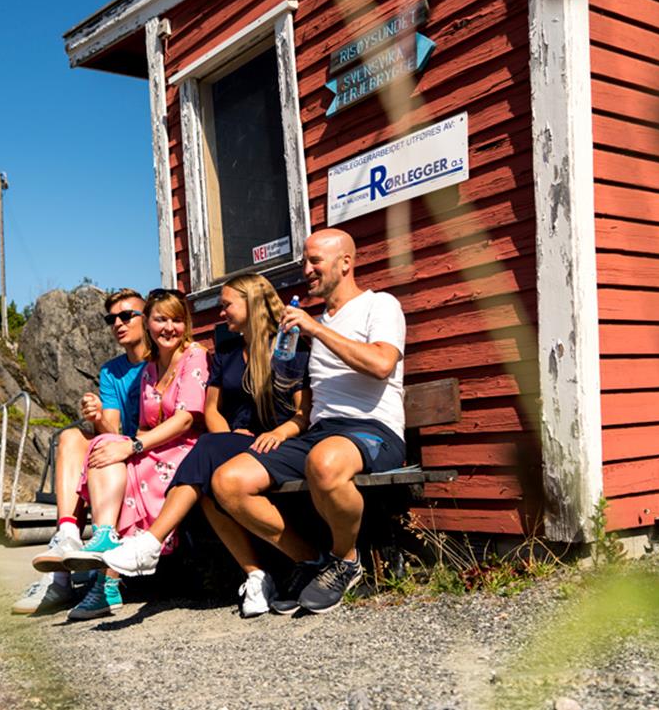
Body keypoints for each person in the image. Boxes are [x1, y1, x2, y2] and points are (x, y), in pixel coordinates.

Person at [212, 228, 406, 615]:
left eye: (314, 261)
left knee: (324, 462)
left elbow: (382, 364)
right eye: (304, 261)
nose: (306, 269)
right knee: (227, 482)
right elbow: (306, 402)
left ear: (346, 263)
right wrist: (283, 380)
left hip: (372, 430)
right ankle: (313, 561)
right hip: (319, 432)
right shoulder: (313, 323)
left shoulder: (379, 306)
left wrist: (317, 330)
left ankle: (346, 560)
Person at [95, 273, 312, 618]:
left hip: (281, 442)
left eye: (226, 305)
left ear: (251, 303)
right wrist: (229, 437)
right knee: (210, 468)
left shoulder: (289, 343)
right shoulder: (225, 349)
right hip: (236, 441)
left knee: (207, 456)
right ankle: (257, 576)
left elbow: (304, 413)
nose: (221, 312)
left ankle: (151, 543)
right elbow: (211, 410)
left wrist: (280, 433)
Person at [61, 288, 208, 620]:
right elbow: (141, 425)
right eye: (160, 320)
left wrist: (135, 447)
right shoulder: (150, 369)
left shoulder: (194, 355)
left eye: (175, 320)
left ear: (185, 324)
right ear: (150, 325)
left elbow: (186, 419)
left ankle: (107, 583)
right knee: (104, 448)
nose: (168, 328)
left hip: (188, 445)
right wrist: (125, 447)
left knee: (134, 466)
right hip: (157, 444)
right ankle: (103, 539)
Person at [10, 288, 148, 615]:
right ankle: (68, 535)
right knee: (72, 437)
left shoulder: (160, 361)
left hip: (146, 446)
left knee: (100, 449)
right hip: (117, 445)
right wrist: (98, 415)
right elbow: (112, 432)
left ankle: (62, 581)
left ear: (147, 317)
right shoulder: (112, 370)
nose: (118, 323)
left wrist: (123, 440)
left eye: (127, 315)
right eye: (111, 318)